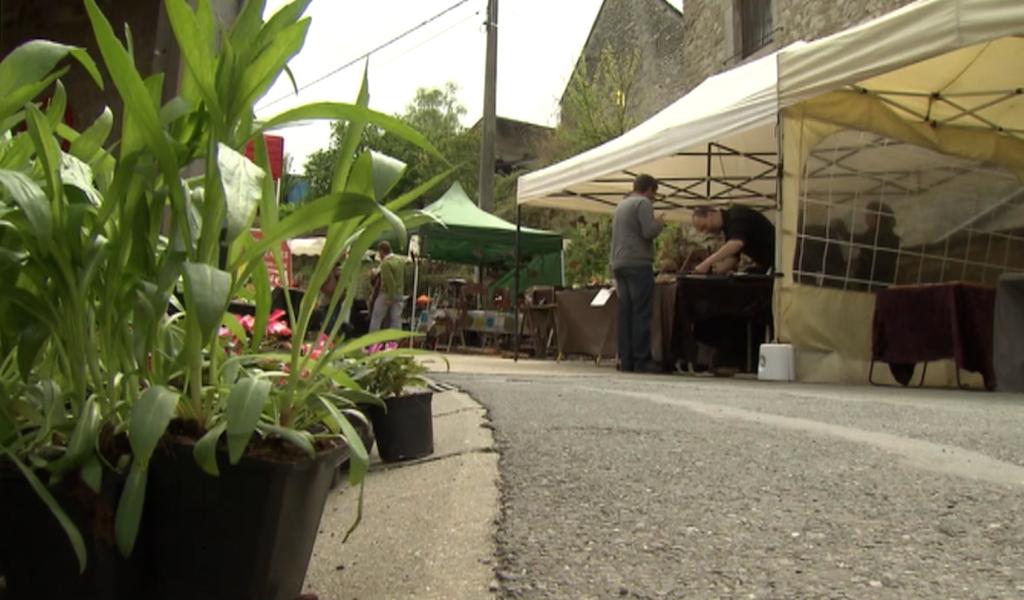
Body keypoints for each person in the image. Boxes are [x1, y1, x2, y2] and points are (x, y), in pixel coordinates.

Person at [610, 174, 665, 373]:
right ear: (649, 189)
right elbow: (648, 232)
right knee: (641, 312)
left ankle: (626, 360)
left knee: (625, 313)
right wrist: (659, 223)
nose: (654, 197)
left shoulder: (621, 205)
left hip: (619, 262)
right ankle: (642, 360)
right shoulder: (643, 203)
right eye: (654, 193)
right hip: (638, 262)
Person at [691, 205, 776, 274]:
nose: (706, 232)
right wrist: (716, 271)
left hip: (779, 260)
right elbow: (733, 259)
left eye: (704, 227)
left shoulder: (736, 216)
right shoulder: (728, 228)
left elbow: (737, 243)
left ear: (710, 214)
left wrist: (707, 263)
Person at [368, 241, 406, 332]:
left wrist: (391, 297)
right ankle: (395, 339)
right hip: (399, 294)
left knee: (376, 317)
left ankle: (373, 337)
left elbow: (389, 281)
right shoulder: (400, 261)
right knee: (396, 319)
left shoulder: (386, 264)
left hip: (386, 294)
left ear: (382, 251)